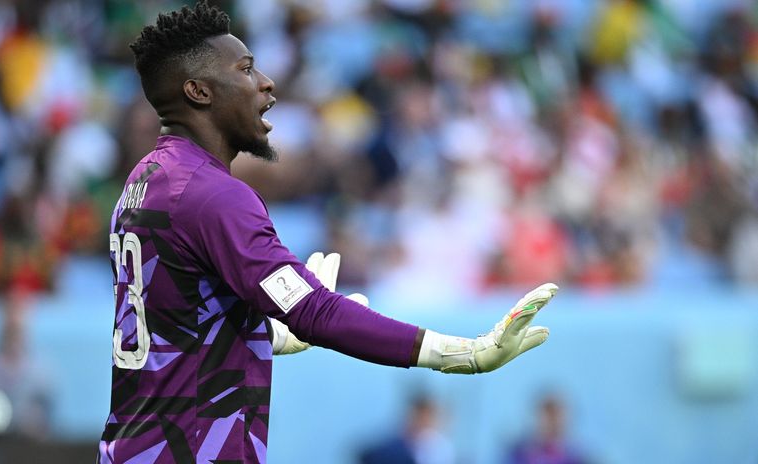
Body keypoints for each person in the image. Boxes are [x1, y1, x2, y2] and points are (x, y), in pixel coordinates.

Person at [98, 3, 559, 463]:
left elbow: (172, 323)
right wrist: (463, 353)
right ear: (199, 91)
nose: (266, 82)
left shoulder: (144, 182)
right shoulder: (214, 195)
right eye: (246, 69)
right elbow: (314, 309)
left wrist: (266, 333)